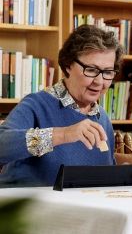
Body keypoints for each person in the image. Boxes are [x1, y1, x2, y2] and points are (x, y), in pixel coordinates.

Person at [0, 25, 123, 187]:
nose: (99, 82)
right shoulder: (36, 104)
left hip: (81, 209)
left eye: (108, 72)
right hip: (27, 210)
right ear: (67, 66)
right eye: (91, 70)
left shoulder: (102, 117)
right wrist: (63, 134)